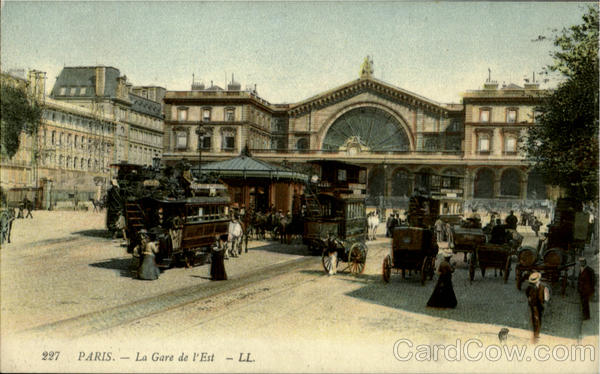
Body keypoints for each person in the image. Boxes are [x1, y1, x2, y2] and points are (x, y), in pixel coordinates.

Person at [525, 272, 550, 340]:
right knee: (534, 318)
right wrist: (530, 299)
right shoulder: (530, 287)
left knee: (538, 318)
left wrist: (544, 302)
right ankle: (535, 332)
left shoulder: (544, 287)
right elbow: (527, 293)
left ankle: (537, 333)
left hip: (540, 305)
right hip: (533, 305)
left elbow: (547, 297)